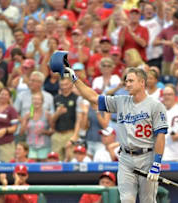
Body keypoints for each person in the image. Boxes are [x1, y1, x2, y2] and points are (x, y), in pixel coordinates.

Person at [63, 66, 168, 202]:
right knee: (126, 200)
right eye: (126, 81)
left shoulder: (155, 105)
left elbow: (160, 135)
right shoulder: (120, 101)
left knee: (148, 200)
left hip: (147, 157)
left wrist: (157, 164)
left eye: (131, 81)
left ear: (142, 82)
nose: (127, 84)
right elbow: (94, 98)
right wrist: (75, 79)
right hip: (125, 157)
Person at [20, 92, 54, 162]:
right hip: (31, 146)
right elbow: (21, 132)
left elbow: (53, 130)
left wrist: (44, 132)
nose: (36, 101)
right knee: (31, 166)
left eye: (38, 99)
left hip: (44, 146)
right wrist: (25, 122)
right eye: (34, 99)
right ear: (32, 101)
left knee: (44, 168)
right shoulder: (28, 114)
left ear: (42, 101)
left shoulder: (47, 114)